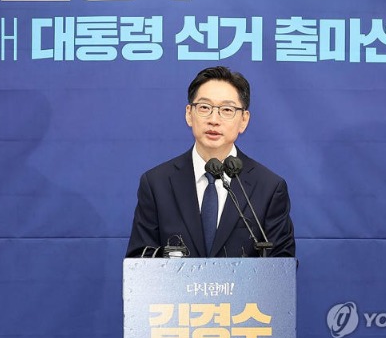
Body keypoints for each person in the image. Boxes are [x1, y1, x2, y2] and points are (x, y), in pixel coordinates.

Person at [125, 66, 295, 258]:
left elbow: (281, 264)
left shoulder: (269, 187)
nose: (214, 120)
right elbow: (140, 258)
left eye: (227, 110)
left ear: (244, 120)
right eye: (205, 107)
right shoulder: (157, 183)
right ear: (189, 114)